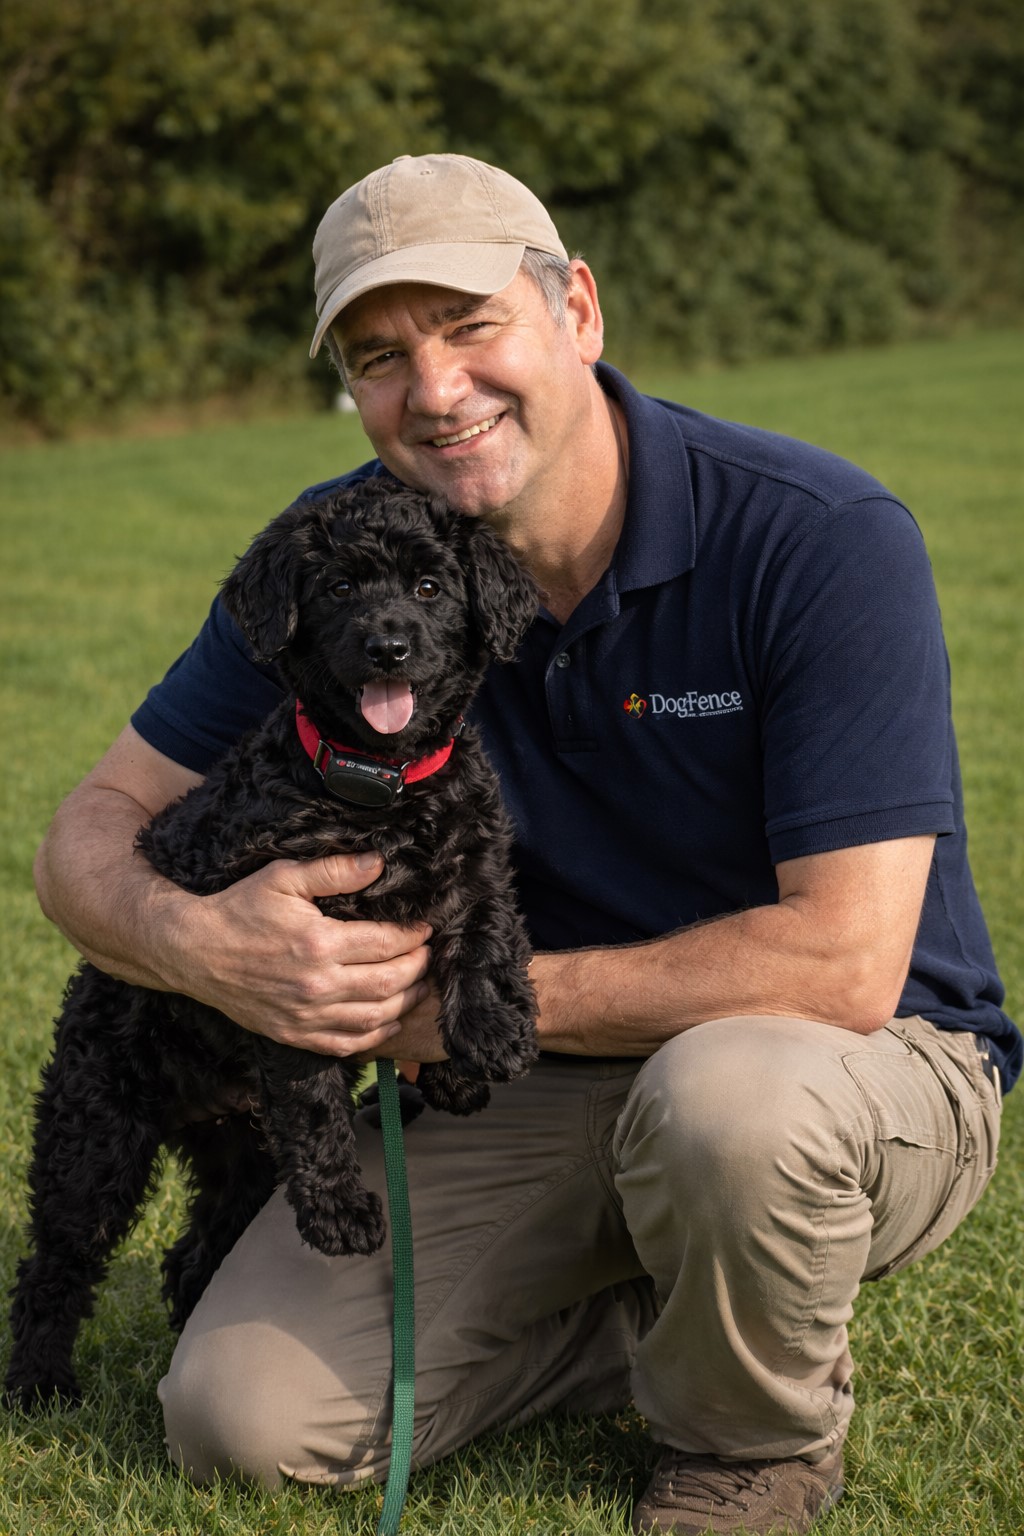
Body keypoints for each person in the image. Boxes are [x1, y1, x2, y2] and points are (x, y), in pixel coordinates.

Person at [34, 153, 1018, 1535]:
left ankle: (745, 1448)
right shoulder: (346, 560)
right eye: (381, 356)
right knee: (238, 1418)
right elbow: (85, 836)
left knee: (727, 1109)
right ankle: (672, 1299)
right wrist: (195, 943)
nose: (433, 391)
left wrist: (447, 1012)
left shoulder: (819, 538)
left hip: (841, 1062)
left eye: (471, 326)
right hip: (528, 1077)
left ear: (580, 314)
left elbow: (847, 962)